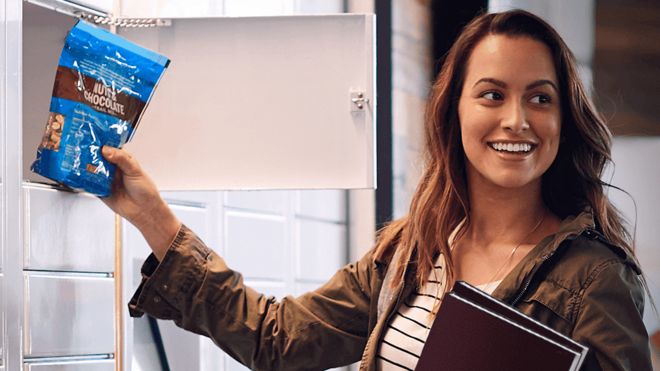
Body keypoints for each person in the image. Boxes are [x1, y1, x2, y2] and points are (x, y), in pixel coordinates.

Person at [101, 9, 652, 371]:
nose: (516, 119)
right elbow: (279, 338)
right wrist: (154, 219)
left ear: (564, 118)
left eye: (540, 98)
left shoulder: (595, 278)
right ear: (454, 110)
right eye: (491, 94)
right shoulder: (412, 253)